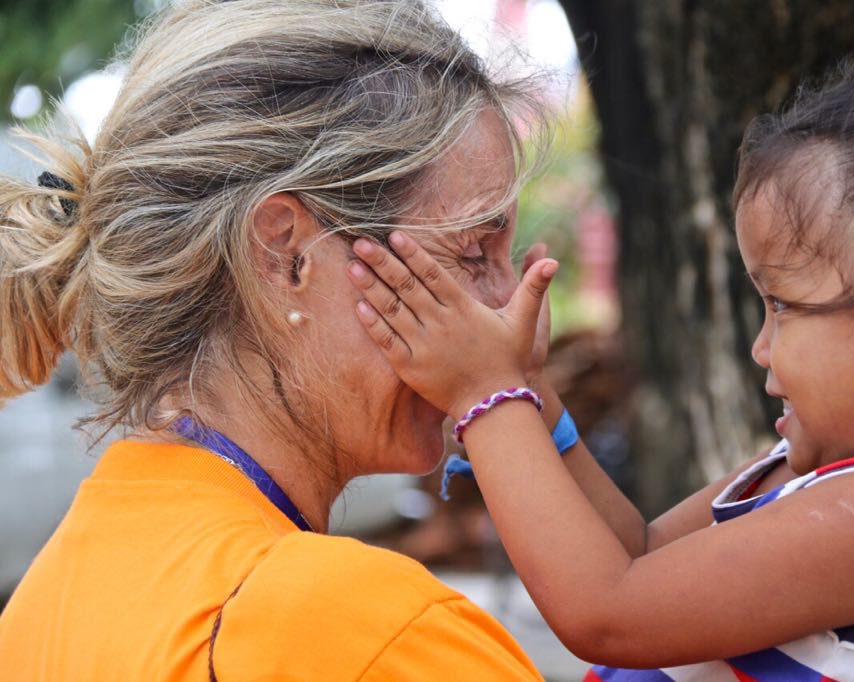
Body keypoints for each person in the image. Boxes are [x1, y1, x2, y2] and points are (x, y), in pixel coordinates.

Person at [348, 54, 854, 680]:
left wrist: (486, 395)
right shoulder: (833, 468)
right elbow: (639, 557)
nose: (761, 346)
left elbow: (608, 613)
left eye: (784, 307)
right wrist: (533, 396)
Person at [0, 1, 553, 679]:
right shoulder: (369, 635)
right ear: (287, 254)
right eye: (474, 254)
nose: (509, 310)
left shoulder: (41, 604)